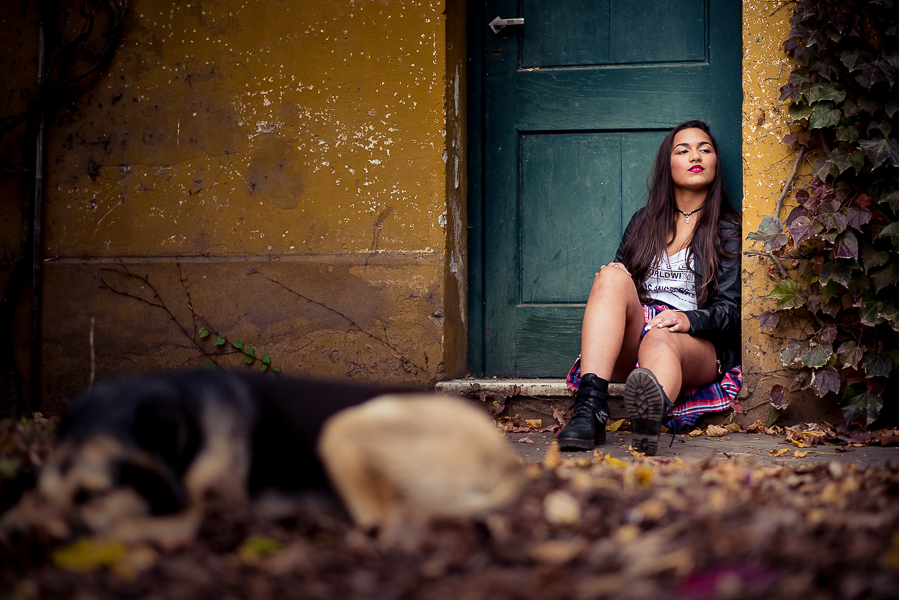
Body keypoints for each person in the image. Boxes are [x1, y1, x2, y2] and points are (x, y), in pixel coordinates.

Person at [558, 120, 742, 456]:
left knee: (660, 336)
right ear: (667, 164)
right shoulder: (644, 222)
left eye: (705, 149)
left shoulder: (728, 228)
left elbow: (732, 310)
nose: (695, 156)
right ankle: (590, 410)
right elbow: (618, 292)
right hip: (637, 335)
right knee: (612, 276)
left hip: (695, 343)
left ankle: (651, 413)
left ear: (715, 161)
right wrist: (613, 276)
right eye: (682, 150)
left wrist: (689, 320)